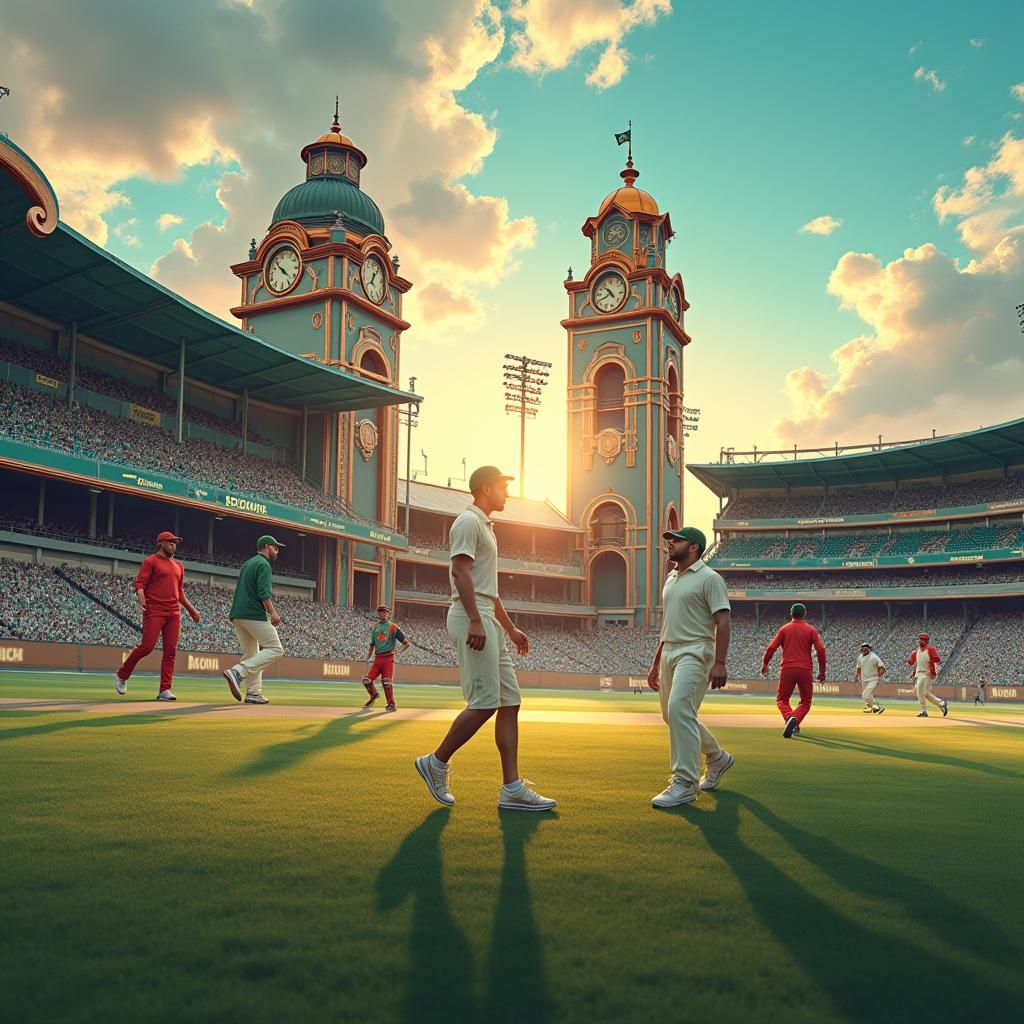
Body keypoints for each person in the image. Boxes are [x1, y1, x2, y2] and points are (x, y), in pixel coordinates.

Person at [414, 466, 556, 811]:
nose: (506, 492)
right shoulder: (468, 522)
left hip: (486, 616)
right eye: (502, 487)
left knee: (509, 702)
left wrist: (510, 628)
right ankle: (436, 762)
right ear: (486, 488)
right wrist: (476, 621)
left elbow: (488, 590)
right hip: (471, 616)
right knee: (485, 703)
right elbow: (459, 571)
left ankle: (512, 789)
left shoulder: (486, 526)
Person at [646, 526, 734, 808]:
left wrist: (720, 662)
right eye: (670, 540)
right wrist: (656, 662)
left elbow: (723, 620)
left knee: (679, 709)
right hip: (669, 650)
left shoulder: (710, 578)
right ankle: (717, 757)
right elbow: (668, 623)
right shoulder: (671, 578)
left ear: (694, 547)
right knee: (672, 715)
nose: (670, 543)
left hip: (696, 649)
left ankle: (685, 783)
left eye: (677, 540)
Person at [115, 530, 201, 701]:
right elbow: (140, 583)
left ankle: (165, 689)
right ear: (160, 543)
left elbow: (179, 591)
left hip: (173, 613)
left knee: (170, 651)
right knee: (146, 647)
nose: (173, 545)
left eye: (175, 542)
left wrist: (192, 610)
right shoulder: (150, 561)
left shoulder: (179, 566)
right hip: (154, 610)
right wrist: (141, 597)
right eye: (170, 542)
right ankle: (122, 675)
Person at [222, 535, 286, 705]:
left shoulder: (248, 563)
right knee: (276, 649)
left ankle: (253, 692)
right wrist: (273, 613)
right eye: (275, 547)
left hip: (238, 614)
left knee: (251, 655)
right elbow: (263, 593)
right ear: (266, 546)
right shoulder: (263, 564)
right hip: (253, 614)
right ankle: (238, 672)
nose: (277, 551)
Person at [761, 603, 826, 738]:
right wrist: (822, 672)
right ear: (805, 614)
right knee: (806, 702)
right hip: (805, 670)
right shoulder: (811, 630)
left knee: (782, 700)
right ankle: (795, 722)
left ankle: (790, 718)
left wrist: (765, 663)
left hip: (787, 669)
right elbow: (821, 649)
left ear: (791, 614)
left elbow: (771, 647)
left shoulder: (784, 629)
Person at [363, 604, 410, 711]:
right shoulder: (376, 627)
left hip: (388, 659)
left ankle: (391, 704)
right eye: (380, 612)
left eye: (384, 612)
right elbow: (372, 644)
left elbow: (406, 643)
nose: (382, 614)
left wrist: (399, 652)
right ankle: (374, 695)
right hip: (377, 659)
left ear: (388, 614)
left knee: (386, 681)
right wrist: (368, 656)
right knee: (366, 680)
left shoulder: (393, 627)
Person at [906, 633, 948, 718]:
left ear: (926, 641)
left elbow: (937, 659)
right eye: (919, 639)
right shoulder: (917, 651)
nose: (919, 640)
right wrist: (909, 662)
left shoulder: (930, 649)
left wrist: (932, 670)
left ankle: (924, 711)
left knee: (920, 690)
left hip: (927, 673)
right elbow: (911, 662)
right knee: (923, 692)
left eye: (922, 639)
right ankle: (941, 703)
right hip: (919, 674)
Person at [855, 642, 886, 714]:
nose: (865, 650)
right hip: (864, 679)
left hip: (873, 679)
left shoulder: (874, 657)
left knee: (865, 695)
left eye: (866, 649)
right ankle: (873, 708)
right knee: (869, 695)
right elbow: (858, 667)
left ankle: (878, 707)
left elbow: (882, 668)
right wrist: (856, 675)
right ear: (861, 650)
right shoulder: (860, 657)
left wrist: (879, 676)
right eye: (863, 649)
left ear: (869, 649)